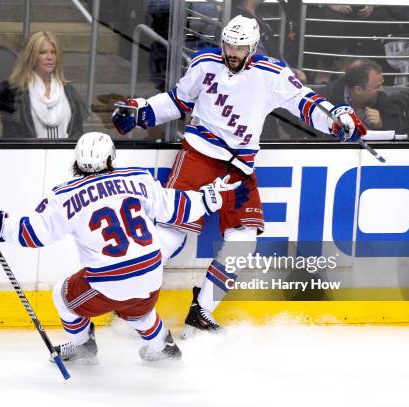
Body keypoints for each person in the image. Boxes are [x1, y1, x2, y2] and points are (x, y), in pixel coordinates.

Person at [111, 15, 366, 337]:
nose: (233, 52)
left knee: (243, 242)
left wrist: (336, 117)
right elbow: (178, 100)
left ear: (254, 47)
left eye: (240, 47)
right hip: (199, 157)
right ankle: (127, 301)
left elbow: (305, 102)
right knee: (169, 234)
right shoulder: (204, 63)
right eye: (229, 44)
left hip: (240, 169)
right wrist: (142, 111)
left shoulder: (272, 73)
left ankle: (201, 311)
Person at [0, 132, 242, 363]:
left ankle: (84, 346)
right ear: (110, 158)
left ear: (77, 160)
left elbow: (33, 234)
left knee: (62, 298)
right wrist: (208, 197)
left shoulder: (64, 196)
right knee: (138, 306)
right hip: (151, 272)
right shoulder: (139, 178)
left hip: (108, 281)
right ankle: (162, 346)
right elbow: (175, 207)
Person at [0, 31, 87, 139]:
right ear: (31, 56)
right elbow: (10, 136)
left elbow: (77, 132)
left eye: (53, 52)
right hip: (28, 154)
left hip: (65, 154)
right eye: (42, 52)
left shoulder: (68, 91)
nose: (49, 57)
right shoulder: (14, 92)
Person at [324, 59, 405, 132]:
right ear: (358, 90)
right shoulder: (325, 101)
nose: (382, 89)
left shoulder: (382, 99)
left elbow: (400, 131)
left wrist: (381, 125)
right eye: (377, 87)